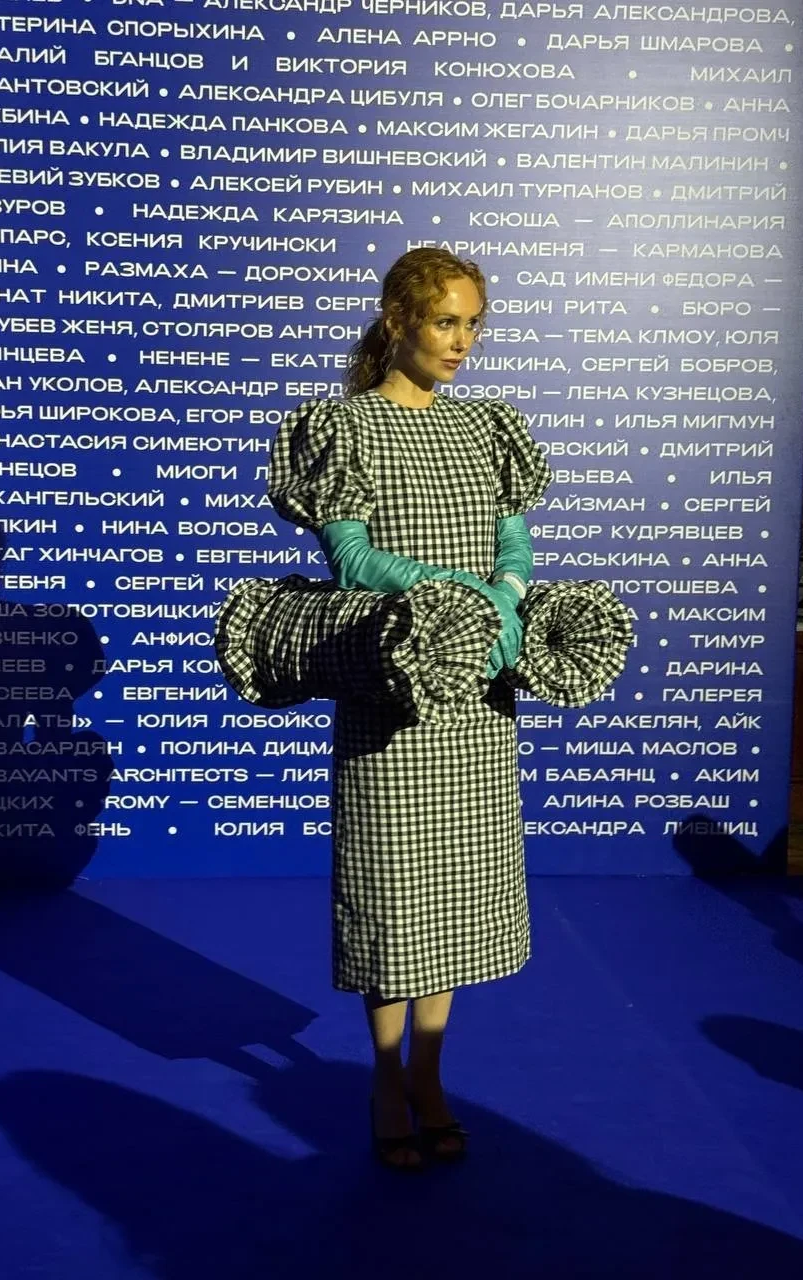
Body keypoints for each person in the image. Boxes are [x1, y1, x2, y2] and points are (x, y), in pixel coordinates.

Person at [266, 247, 552, 1170]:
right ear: (397, 321)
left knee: (455, 899)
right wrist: (457, 598)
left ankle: (430, 1076)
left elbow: (516, 541)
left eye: (473, 324)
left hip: (478, 698)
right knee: (393, 898)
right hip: (391, 693)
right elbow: (352, 560)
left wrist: (506, 597)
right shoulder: (343, 427)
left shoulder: (488, 426)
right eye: (444, 322)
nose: (461, 342)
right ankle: (387, 1082)